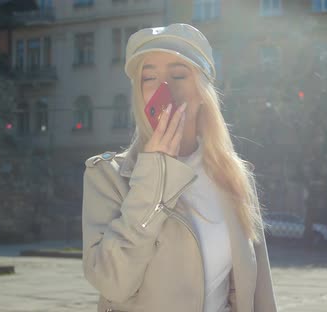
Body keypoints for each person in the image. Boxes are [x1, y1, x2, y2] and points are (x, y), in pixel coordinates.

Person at [81, 23, 277, 312]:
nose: (164, 89)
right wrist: (154, 173)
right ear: (140, 94)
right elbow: (113, 283)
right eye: (149, 78)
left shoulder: (234, 175)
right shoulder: (107, 176)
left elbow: (259, 292)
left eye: (178, 75)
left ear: (202, 93)